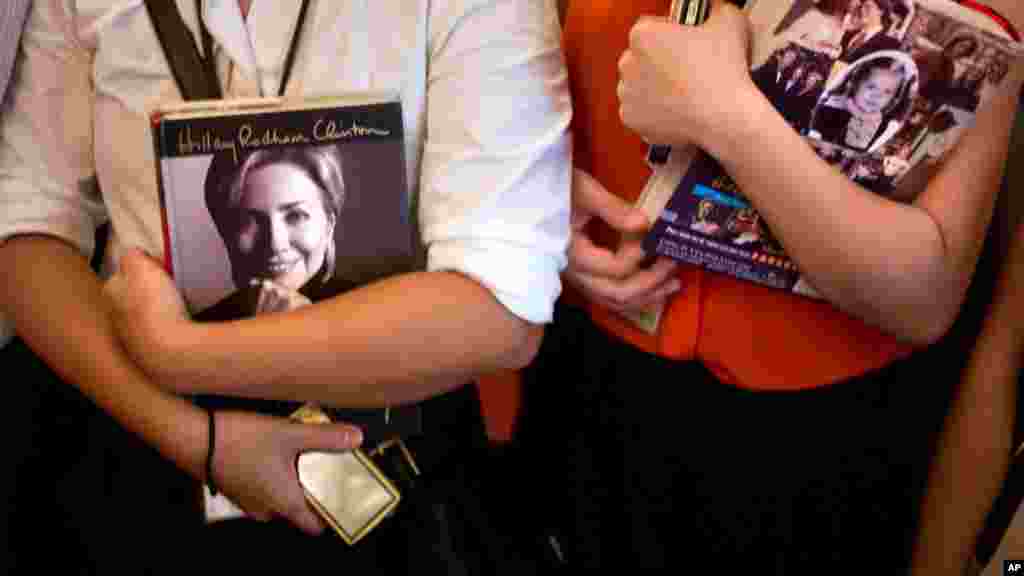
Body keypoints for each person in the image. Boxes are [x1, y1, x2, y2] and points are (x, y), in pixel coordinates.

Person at [0, 0, 570, 573]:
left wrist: (177, 353)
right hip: (139, 446)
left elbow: (500, 315)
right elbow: (27, 227)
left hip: (391, 460)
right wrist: (196, 437)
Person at [516, 0, 1023, 570]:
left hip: (820, 440)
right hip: (586, 366)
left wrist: (726, 117)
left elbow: (928, 297)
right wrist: (535, 198)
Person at [196, 146, 354, 321]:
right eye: (250, 220)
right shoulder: (199, 333)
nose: (275, 244)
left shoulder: (372, 313)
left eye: (295, 216)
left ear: (329, 225)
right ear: (225, 231)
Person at [809, 54, 917, 151]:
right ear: (856, 84)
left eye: (887, 92)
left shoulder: (880, 124)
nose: (877, 95)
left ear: (893, 100)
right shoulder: (834, 106)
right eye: (871, 87)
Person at [838, 0, 904, 63]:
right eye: (861, 7)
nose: (862, 11)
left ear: (880, 11)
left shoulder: (889, 44)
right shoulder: (848, 34)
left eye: (868, 7)